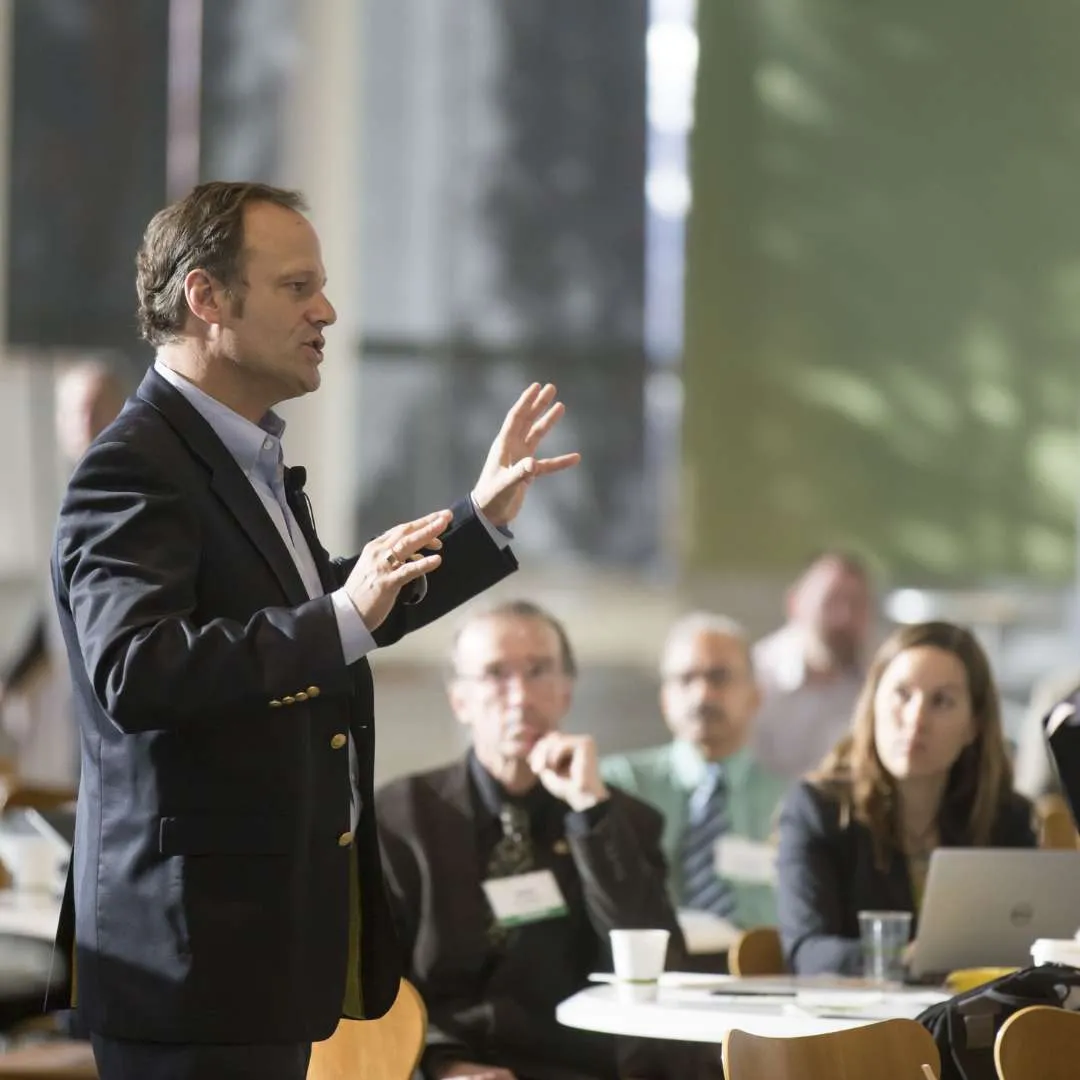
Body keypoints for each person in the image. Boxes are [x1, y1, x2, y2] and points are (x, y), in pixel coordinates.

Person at [50, 181, 579, 1080]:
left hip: (253, 955)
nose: (327, 312)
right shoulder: (134, 469)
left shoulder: (239, 453)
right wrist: (341, 613)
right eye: (298, 288)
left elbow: (324, 609)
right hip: (188, 963)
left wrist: (477, 523)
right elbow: (136, 670)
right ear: (206, 300)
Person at [376, 600, 687, 1080]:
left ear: (566, 691)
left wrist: (591, 816)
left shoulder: (621, 820)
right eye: (496, 674)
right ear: (460, 699)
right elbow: (373, 980)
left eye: (538, 671)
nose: (519, 695)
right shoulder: (402, 817)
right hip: (432, 1066)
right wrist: (441, 1063)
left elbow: (655, 965)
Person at [775, 621, 1035, 976]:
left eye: (941, 701)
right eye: (902, 694)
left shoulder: (1007, 818)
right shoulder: (818, 809)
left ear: (973, 725)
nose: (916, 719)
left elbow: (1027, 948)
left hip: (973, 1025)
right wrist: (904, 960)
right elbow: (807, 951)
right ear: (873, 704)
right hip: (858, 1027)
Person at [601, 613, 787, 931]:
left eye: (719, 677)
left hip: (761, 972)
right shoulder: (620, 784)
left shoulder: (789, 800)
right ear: (664, 700)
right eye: (686, 678)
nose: (702, 694)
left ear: (756, 695)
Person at [0, 359, 125, 786]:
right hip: (72, 715)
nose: (86, 422)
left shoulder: (132, 491)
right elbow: (51, 606)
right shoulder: (71, 495)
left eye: (96, 408)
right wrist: (14, 681)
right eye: (76, 412)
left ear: (120, 410)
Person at [751, 551, 874, 781]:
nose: (844, 617)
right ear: (794, 605)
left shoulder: (880, 684)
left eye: (856, 604)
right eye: (831, 601)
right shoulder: (755, 677)